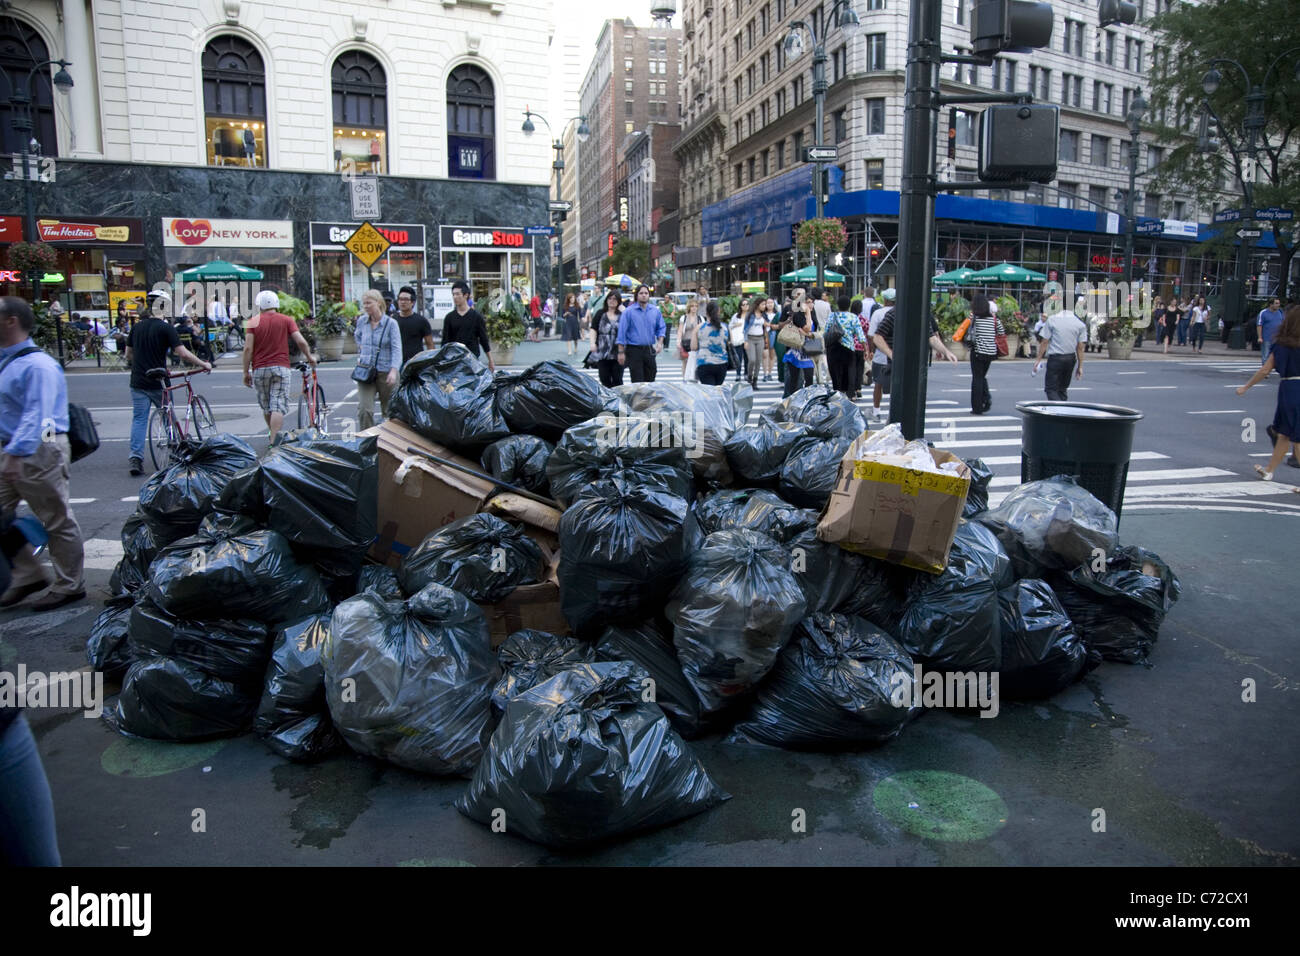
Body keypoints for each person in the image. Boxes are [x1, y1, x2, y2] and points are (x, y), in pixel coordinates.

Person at [0, 296, 86, 612]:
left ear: (11, 321)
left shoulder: (38, 366)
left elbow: (40, 415)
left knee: (56, 518)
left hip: (39, 448)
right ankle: (28, 574)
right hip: (12, 447)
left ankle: (69, 585)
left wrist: (15, 454)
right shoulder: (7, 361)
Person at [125, 290, 210, 476]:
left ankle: (135, 458)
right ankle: (175, 449)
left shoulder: (136, 327)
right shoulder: (165, 328)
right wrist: (204, 363)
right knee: (168, 416)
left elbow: (128, 355)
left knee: (139, 419)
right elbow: (182, 353)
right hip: (159, 382)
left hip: (138, 380)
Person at [870, 290, 958, 421]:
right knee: (899, 402)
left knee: (912, 401)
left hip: (916, 364)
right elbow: (877, 337)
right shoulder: (894, 314)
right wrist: (892, 355)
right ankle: (894, 425)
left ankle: (902, 426)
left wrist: (946, 351)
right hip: (898, 366)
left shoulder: (921, 315)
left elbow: (931, 338)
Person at [243, 288, 315, 445]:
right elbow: (301, 341)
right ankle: (274, 440)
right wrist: (309, 357)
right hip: (281, 367)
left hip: (259, 369)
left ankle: (272, 435)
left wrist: (245, 372)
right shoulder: (286, 320)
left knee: (267, 406)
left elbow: (248, 348)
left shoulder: (253, 322)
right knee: (278, 405)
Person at [1237, 306, 1300, 481]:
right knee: (1286, 434)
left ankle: (1270, 470)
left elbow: (1265, 370)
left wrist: (1246, 387)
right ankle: (1270, 470)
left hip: (1290, 388)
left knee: (1294, 434)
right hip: (1293, 388)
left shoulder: (1282, 345)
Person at [353, 289, 402, 430]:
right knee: (364, 410)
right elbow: (358, 336)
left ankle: (389, 442)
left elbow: (397, 349)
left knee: (390, 411)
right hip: (366, 371)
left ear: (378, 303)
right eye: (364, 303)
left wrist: (394, 371)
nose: (366, 306)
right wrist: (361, 353)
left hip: (386, 371)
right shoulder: (362, 321)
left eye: (369, 303)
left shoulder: (391, 324)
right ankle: (367, 441)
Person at [1035, 296, 1088, 401]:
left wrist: (1038, 359)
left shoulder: (1052, 320)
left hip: (1056, 358)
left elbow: (1044, 341)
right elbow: (1080, 348)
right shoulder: (1080, 324)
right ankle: (1064, 410)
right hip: (1070, 358)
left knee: (1051, 389)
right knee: (1063, 388)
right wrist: (1080, 366)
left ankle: (1058, 410)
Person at [616, 284, 665, 383]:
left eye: (646, 293)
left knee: (651, 374)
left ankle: (647, 398)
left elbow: (661, 328)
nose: (644, 295)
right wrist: (621, 352)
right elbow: (622, 332)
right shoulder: (628, 312)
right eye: (641, 293)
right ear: (636, 295)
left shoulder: (655, 311)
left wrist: (660, 343)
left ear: (649, 295)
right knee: (637, 379)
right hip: (634, 349)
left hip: (649, 349)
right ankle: (639, 398)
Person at [442, 279, 495, 371]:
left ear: (465, 295)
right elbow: (445, 342)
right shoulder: (449, 317)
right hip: (454, 361)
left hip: (472, 360)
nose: (455, 297)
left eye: (458, 294)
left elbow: (483, 339)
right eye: (453, 294)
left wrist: (490, 360)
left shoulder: (476, 317)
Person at [968, 294, 1005, 415]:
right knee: (982, 376)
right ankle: (986, 398)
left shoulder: (975, 319)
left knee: (977, 378)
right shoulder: (994, 319)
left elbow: (971, 336)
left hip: (978, 352)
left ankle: (978, 406)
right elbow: (1001, 332)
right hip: (990, 353)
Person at [827, 293, 868, 397]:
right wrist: (865, 349)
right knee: (849, 370)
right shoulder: (853, 317)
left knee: (835, 370)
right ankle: (850, 393)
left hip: (833, 347)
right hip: (848, 348)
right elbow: (860, 335)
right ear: (849, 305)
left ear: (838, 305)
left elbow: (826, 332)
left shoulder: (832, 315)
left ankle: (838, 391)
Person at [393, 285, 434, 367]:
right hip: (396, 363)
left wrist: (430, 363)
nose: (402, 302)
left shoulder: (421, 321)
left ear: (412, 302)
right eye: (400, 299)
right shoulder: (392, 320)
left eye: (406, 299)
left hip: (416, 364)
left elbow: (430, 344)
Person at [693, 300, 731, 386]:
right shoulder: (725, 327)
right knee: (717, 389)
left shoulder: (699, 327)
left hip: (704, 363)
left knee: (709, 392)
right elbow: (730, 343)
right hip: (721, 363)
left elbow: (693, 347)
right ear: (719, 311)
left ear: (706, 313)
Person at [591, 292, 625, 388]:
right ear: (606, 300)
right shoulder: (600, 313)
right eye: (610, 298)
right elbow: (593, 328)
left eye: (615, 299)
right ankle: (609, 397)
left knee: (617, 379)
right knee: (604, 378)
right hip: (603, 351)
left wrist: (625, 311)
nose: (612, 301)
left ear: (619, 301)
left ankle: (618, 398)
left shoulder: (622, 315)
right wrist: (592, 343)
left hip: (618, 351)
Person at [744, 297, 767, 388]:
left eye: (765, 304)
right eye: (762, 304)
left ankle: (755, 380)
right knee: (752, 359)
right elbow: (745, 329)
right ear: (757, 305)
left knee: (758, 361)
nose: (764, 306)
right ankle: (749, 376)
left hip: (760, 338)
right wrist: (745, 341)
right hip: (750, 338)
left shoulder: (764, 315)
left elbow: (766, 327)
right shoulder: (750, 315)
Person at [1258, 296, 1285, 367]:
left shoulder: (1280, 312)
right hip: (1267, 337)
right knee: (1266, 355)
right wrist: (1260, 337)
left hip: (1277, 338)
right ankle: (1265, 369)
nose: (1278, 305)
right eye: (1276, 303)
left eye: (1278, 303)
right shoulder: (1263, 313)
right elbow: (1259, 325)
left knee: (1278, 354)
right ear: (1271, 304)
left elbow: (1283, 324)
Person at [678, 299, 700, 381]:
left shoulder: (700, 318)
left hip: (696, 343)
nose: (694, 308)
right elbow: (680, 330)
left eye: (696, 306)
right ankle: (684, 379)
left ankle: (694, 378)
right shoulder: (683, 318)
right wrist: (678, 341)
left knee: (695, 362)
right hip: (685, 342)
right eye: (692, 306)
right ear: (689, 307)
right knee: (685, 362)